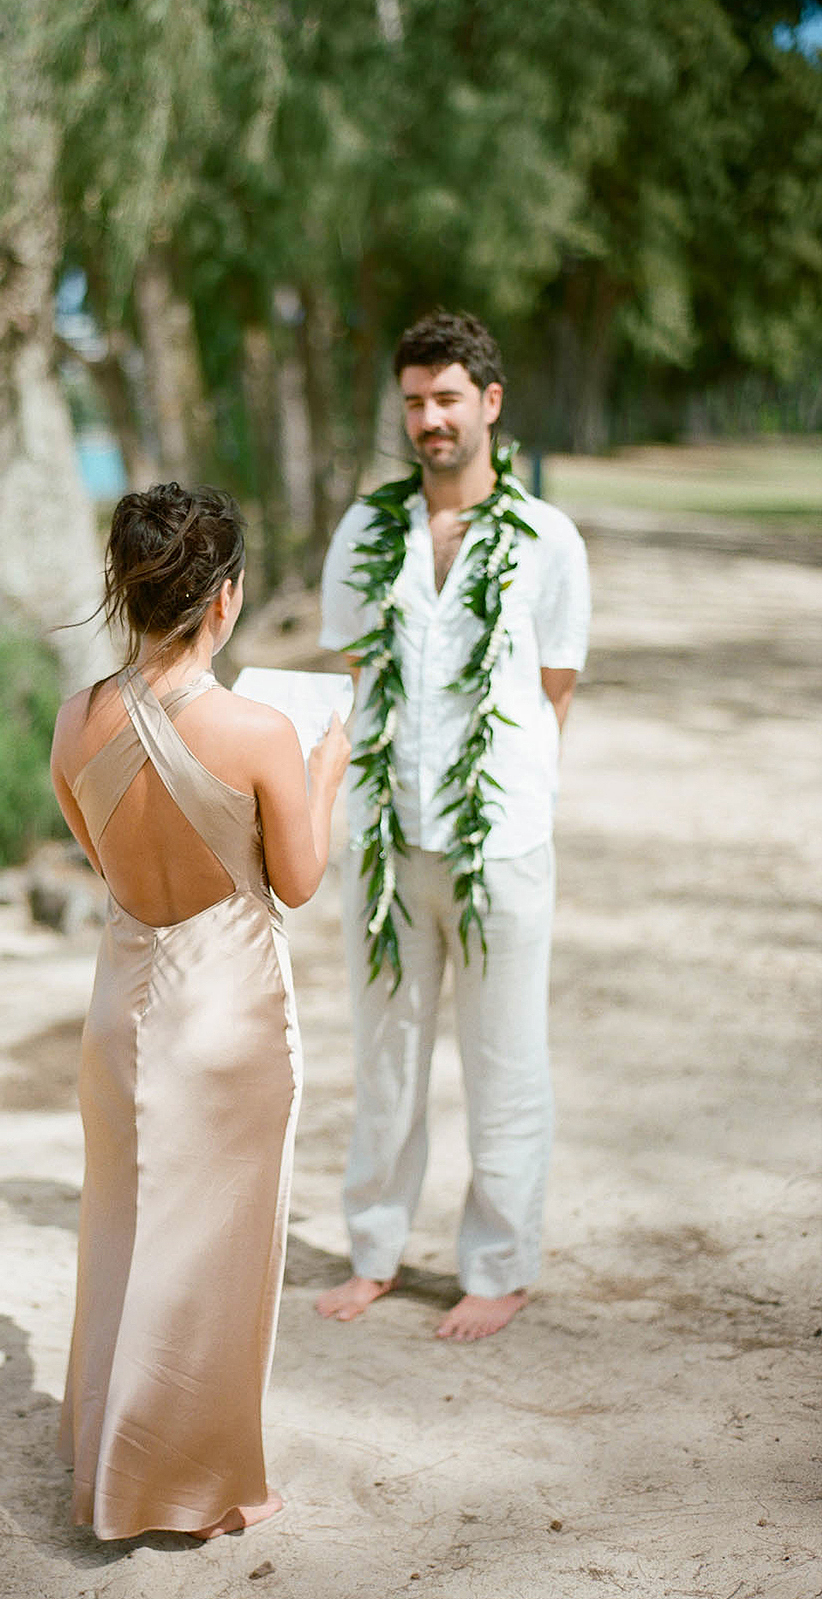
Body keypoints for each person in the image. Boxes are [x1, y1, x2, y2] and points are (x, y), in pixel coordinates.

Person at [51, 482, 349, 1540]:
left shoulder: (77, 716)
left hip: (121, 1006)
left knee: (124, 1231)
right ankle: (209, 1486)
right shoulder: (261, 728)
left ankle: (108, 1457)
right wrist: (327, 766)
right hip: (225, 1015)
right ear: (221, 601)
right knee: (217, 1255)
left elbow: (97, 850)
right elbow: (301, 882)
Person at [315, 311, 590, 1341]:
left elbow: (555, 685)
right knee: (384, 1057)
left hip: (501, 846)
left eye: (447, 399)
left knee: (505, 1059)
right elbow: (354, 673)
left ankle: (500, 1265)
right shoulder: (365, 531)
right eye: (415, 402)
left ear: (491, 403)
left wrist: (516, 796)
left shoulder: (546, 541)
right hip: (387, 845)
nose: (431, 419)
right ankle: (376, 1250)